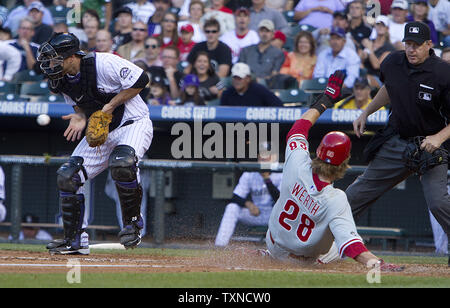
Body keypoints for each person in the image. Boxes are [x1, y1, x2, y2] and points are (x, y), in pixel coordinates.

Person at [261, 70, 404, 271]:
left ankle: (267, 255)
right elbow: (352, 246)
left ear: (319, 151)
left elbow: (298, 129)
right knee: (341, 241)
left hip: (274, 246)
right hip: (300, 261)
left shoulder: (297, 162)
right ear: (344, 163)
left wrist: (326, 99)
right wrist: (377, 264)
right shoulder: (335, 198)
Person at [37, 32, 153, 254]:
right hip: (104, 131)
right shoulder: (60, 80)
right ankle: (75, 241)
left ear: (71, 57)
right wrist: (80, 117)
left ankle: (133, 224)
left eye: (55, 58)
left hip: (132, 123)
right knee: (67, 176)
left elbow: (141, 80)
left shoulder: (103, 62)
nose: (51, 64)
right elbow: (79, 107)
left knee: (122, 164)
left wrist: (109, 106)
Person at [348, 22, 450, 261]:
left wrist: (438, 138)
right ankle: (326, 244)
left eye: (417, 45)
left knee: (438, 203)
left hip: (431, 147)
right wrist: (366, 112)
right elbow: (389, 87)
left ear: (429, 45)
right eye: (408, 44)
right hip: (398, 142)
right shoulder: (392, 62)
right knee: (355, 195)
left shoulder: (443, 73)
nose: (411, 49)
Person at [215, 144, 282, 247]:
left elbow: (280, 200)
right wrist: (249, 204)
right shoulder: (250, 173)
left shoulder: (281, 173)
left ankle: (285, 249)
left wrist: (267, 179)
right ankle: (220, 246)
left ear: (273, 157)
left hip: (274, 215)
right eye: (261, 154)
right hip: (256, 213)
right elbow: (235, 196)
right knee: (232, 207)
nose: (263, 157)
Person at [238, 19, 285, 88]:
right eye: (262, 31)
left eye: (267, 31)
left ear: (272, 34)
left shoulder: (278, 53)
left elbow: (275, 75)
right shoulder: (246, 50)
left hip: (267, 87)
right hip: (247, 86)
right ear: (258, 32)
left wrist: (260, 81)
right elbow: (239, 71)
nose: (264, 34)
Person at [359, 15, 395, 89]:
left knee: (365, 80)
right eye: (378, 25)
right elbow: (359, 61)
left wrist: (369, 49)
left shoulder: (389, 48)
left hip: (378, 78)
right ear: (375, 26)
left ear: (387, 28)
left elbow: (376, 65)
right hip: (363, 73)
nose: (380, 27)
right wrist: (363, 56)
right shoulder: (369, 42)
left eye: (383, 25)